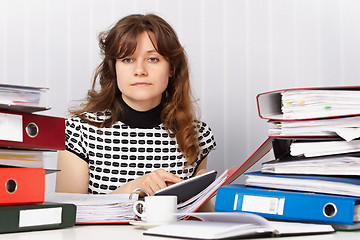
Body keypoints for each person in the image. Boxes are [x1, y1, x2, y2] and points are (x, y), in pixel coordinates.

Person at [55, 13, 216, 198]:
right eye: (127, 59)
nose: (140, 71)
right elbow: (70, 214)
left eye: (153, 59)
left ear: (171, 68)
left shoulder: (196, 134)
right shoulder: (78, 131)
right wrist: (132, 190)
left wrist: (204, 196)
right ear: (114, 68)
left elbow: (196, 216)